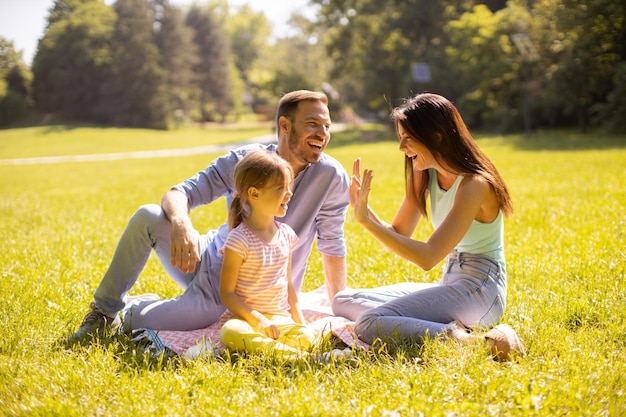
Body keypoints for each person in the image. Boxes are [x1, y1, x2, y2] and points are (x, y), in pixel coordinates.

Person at [69, 90, 349, 341]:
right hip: (206, 259)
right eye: (312, 124)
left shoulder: (331, 176)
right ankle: (103, 312)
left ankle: (145, 306)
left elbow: (332, 241)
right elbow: (180, 193)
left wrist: (338, 307)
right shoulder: (247, 160)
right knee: (148, 216)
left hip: (250, 291)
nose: (323, 133)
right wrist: (181, 224)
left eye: (327, 126)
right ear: (285, 126)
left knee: (152, 318)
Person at [332, 93, 525, 361]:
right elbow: (399, 233)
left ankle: (474, 342)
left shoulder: (475, 185)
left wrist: (365, 221)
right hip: (451, 281)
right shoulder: (425, 174)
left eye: (407, 138)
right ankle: (442, 326)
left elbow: (427, 257)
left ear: (436, 136)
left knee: (369, 322)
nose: (401, 148)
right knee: (342, 300)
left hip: (481, 290)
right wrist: (364, 212)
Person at [218, 150, 315, 356]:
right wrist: (258, 320)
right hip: (246, 320)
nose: (289, 193)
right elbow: (227, 294)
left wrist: (301, 323)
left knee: (306, 337)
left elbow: (289, 286)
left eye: (289, 187)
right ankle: (296, 357)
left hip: (279, 319)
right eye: (281, 187)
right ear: (254, 194)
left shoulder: (286, 235)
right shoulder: (239, 240)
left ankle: (271, 350)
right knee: (230, 332)